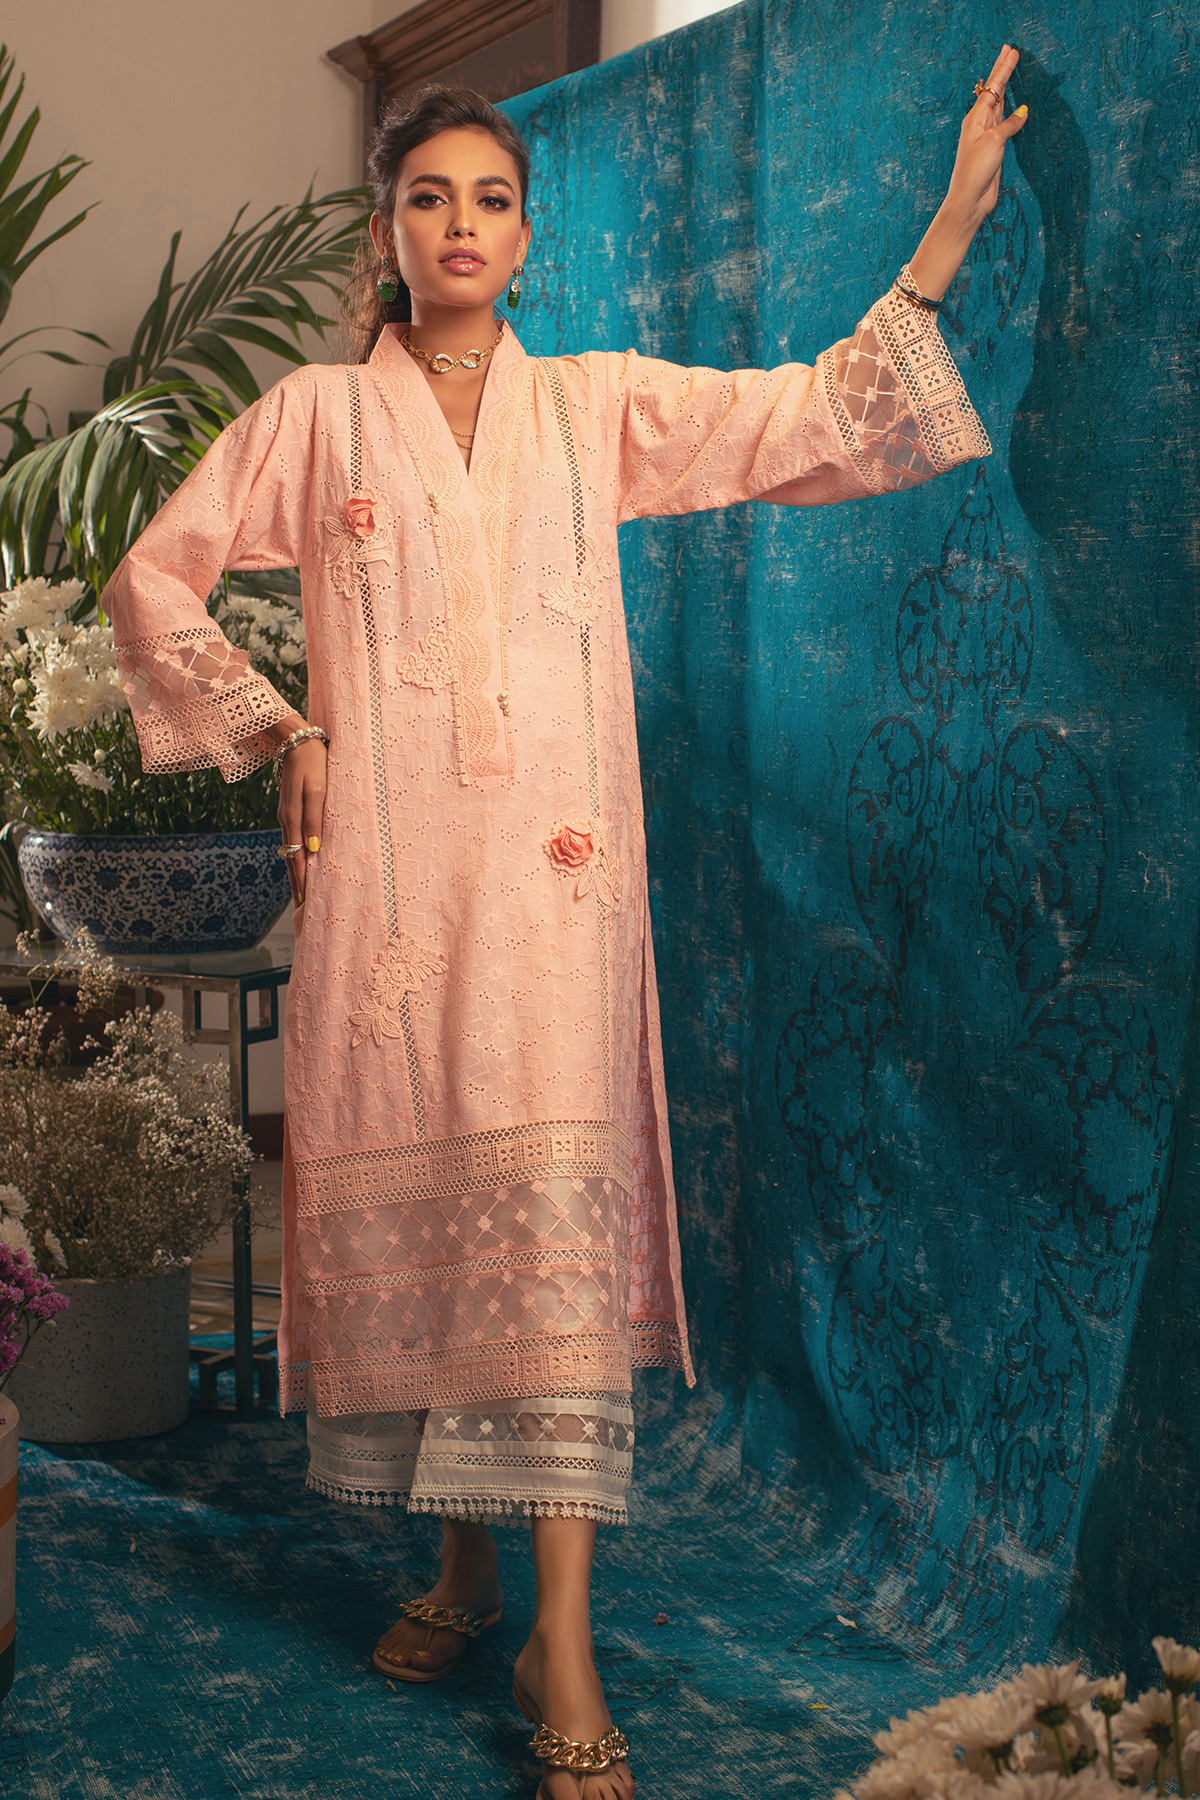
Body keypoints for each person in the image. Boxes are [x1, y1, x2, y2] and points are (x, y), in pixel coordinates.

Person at [105, 48, 1026, 1800]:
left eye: (494, 198)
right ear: (386, 229)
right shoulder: (316, 418)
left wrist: (947, 232)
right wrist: (280, 728)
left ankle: (565, 1637)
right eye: (429, 196)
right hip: (391, 890)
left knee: (541, 1223)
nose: (463, 224)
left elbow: (802, 416)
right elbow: (157, 578)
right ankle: (461, 1567)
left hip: (554, 887)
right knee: (436, 1190)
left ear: (529, 236)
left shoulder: (591, 406)